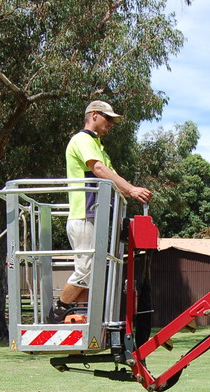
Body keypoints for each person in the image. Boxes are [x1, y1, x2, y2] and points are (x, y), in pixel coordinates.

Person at [48, 100, 153, 323]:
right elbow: (98, 169)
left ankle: (83, 315)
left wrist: (124, 202)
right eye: (109, 119)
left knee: (94, 269)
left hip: (96, 216)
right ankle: (57, 311)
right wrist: (132, 190)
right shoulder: (82, 139)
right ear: (94, 115)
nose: (111, 124)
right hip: (84, 214)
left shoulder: (97, 146)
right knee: (85, 268)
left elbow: (110, 177)